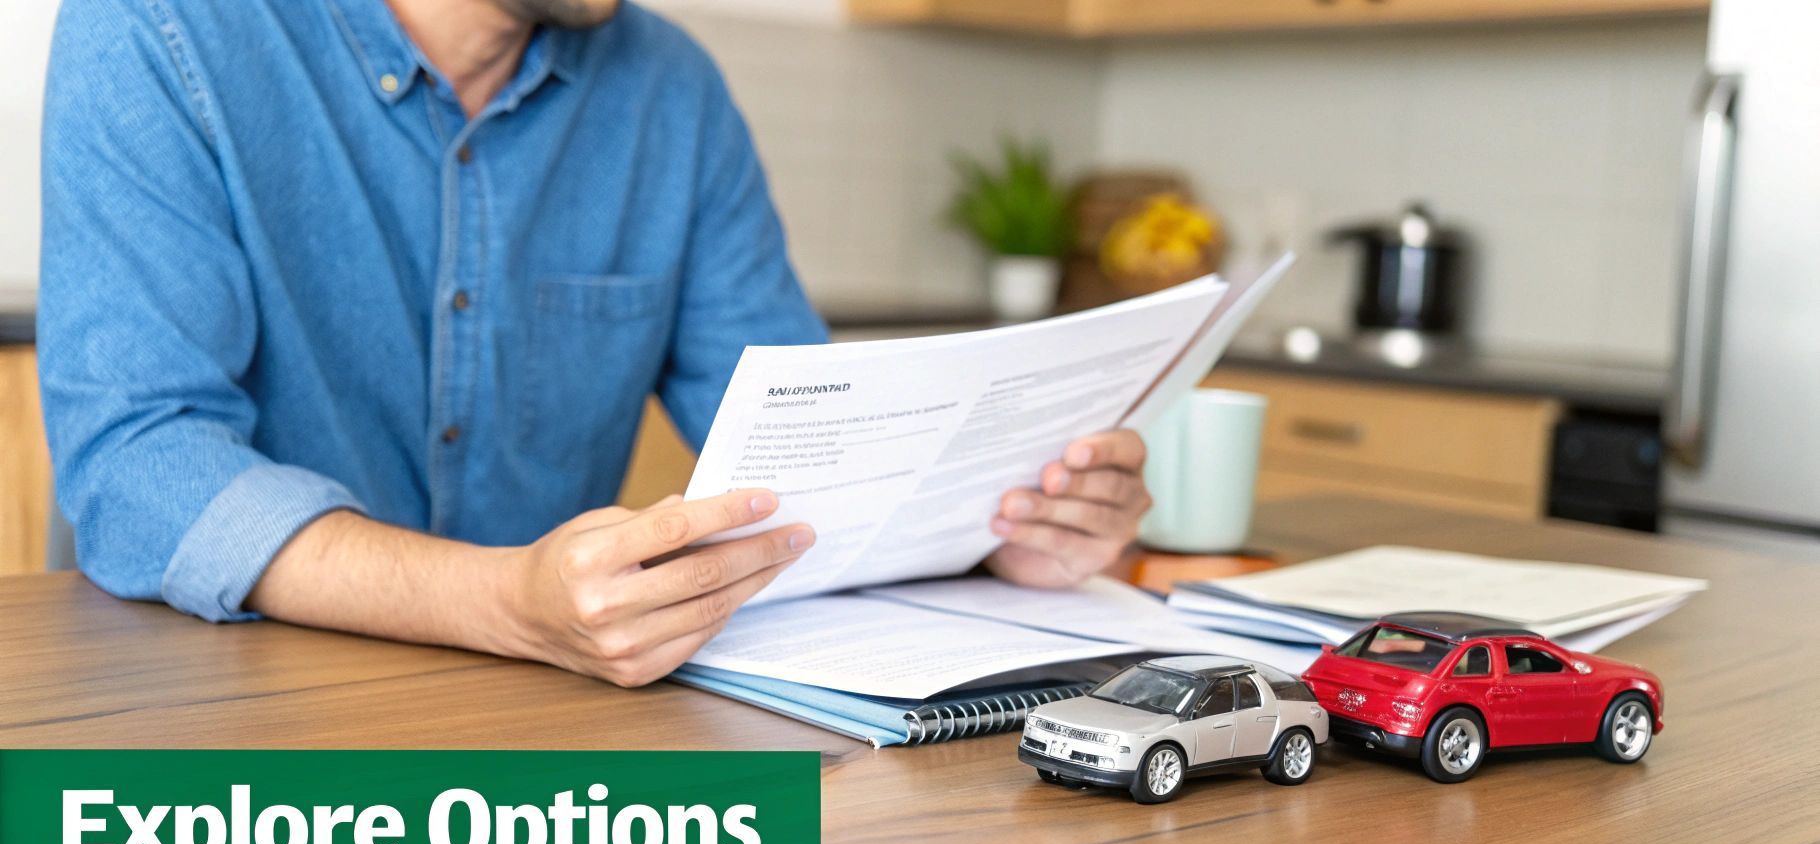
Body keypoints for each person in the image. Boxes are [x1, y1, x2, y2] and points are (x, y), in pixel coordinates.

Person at [37, 0, 1153, 686]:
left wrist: (995, 532)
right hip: (219, 738)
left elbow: (816, 459)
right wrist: (503, 600)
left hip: (549, 737)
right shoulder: (161, 27)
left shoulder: (671, 92)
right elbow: (136, 463)